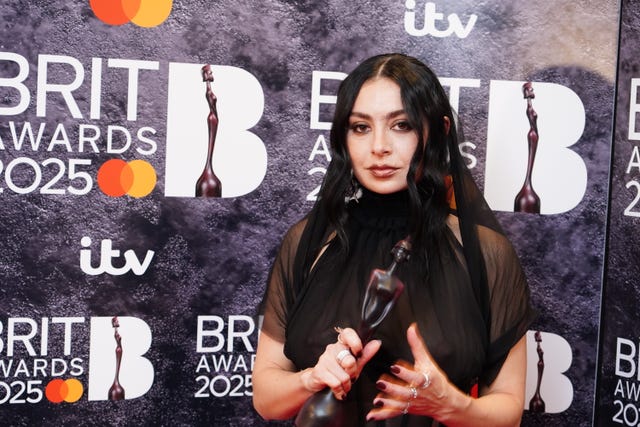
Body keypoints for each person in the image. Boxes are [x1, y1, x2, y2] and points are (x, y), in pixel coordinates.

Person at [253, 53, 536, 426]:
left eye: (401, 125)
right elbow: (266, 400)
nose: (379, 147)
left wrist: (450, 404)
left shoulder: (485, 254)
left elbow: (509, 412)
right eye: (360, 127)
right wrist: (312, 378)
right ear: (343, 137)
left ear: (438, 131)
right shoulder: (308, 242)